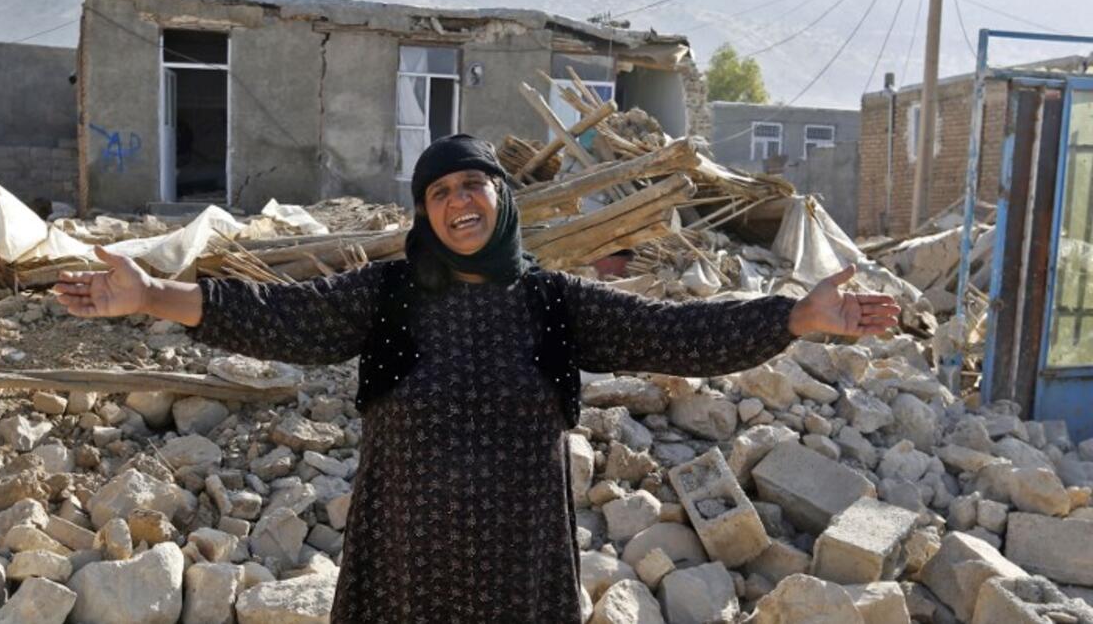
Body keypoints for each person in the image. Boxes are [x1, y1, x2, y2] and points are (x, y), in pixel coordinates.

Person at [55, 134, 899, 623]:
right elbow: (280, 316)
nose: (459, 202)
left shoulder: (552, 302)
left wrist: (794, 315)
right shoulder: (385, 295)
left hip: (520, 580)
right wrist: (152, 294)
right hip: (404, 577)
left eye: (473, 185)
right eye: (439, 192)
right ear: (422, 212)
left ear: (501, 197)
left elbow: (674, 334)